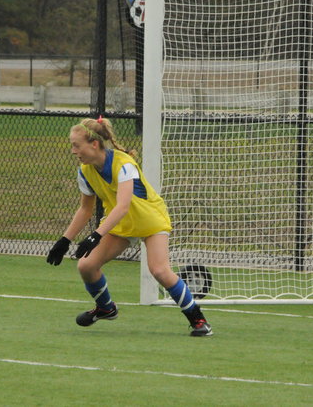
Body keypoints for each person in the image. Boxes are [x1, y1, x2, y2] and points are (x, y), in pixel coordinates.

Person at [46, 116, 213, 337]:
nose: (73, 151)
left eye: (76, 145)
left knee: (160, 270)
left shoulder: (124, 164)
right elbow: (85, 209)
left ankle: (198, 320)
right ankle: (106, 308)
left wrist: (96, 235)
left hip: (149, 220)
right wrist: (64, 240)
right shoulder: (84, 171)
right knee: (86, 266)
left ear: (94, 144)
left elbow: (123, 206)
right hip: (121, 224)